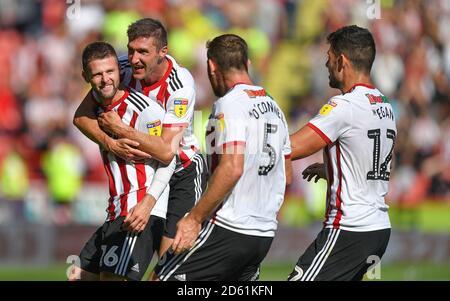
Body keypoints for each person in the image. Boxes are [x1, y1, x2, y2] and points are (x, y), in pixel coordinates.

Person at [153, 34, 292, 281]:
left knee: (162, 277)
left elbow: (232, 169)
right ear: (248, 63)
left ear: (212, 66)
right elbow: (287, 175)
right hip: (262, 234)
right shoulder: (275, 108)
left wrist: (195, 218)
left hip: (228, 227)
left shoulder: (229, 105)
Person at [73, 18, 208, 259]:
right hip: (145, 167)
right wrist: (110, 142)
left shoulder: (179, 86)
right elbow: (81, 116)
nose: (134, 59)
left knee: (168, 263)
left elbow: (168, 151)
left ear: (162, 53)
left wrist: (123, 131)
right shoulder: (120, 69)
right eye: (131, 50)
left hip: (181, 170)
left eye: (143, 52)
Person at [287, 25, 396, 281]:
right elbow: (370, 161)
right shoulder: (385, 105)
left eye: (328, 57)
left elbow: (290, 147)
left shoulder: (343, 106)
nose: (325, 64)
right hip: (378, 227)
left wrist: (252, 140)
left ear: (341, 61)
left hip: (350, 228)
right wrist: (333, 170)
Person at [69, 41, 175, 281]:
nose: (105, 79)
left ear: (119, 70)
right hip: (116, 209)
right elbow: (79, 118)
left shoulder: (145, 110)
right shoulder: (97, 110)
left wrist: (148, 205)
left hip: (136, 210)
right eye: (97, 74)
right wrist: (110, 142)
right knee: (77, 275)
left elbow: (169, 158)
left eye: (110, 71)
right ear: (86, 76)